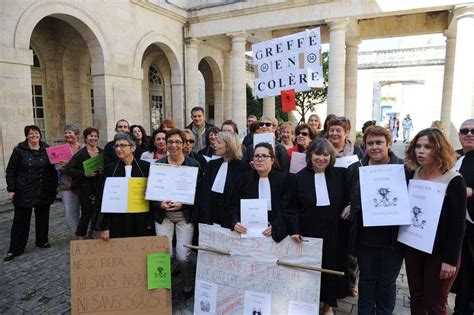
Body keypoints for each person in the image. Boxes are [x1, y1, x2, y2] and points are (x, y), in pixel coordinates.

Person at [404, 128, 466, 314]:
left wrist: (450, 260)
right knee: (416, 296)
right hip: (414, 246)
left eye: (428, 147)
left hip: (440, 253)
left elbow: (458, 225)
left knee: (435, 302)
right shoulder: (413, 174)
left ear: (439, 149)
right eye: (418, 146)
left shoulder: (454, 180)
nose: (421, 151)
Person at [283, 138, 349, 313]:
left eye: (326, 154)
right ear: (310, 156)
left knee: (330, 268)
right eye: (317, 154)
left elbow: (352, 195)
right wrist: (294, 229)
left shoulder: (341, 176)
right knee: (308, 270)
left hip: (334, 232)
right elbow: (291, 208)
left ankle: (328, 305)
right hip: (308, 231)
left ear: (331, 157)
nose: (321, 158)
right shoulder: (297, 179)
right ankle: (305, 304)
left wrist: (350, 206)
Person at [346, 126, 406, 314]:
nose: (374, 147)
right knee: (366, 280)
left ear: (388, 145)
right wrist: (351, 205)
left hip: (392, 240)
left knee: (387, 282)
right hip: (365, 238)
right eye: (370, 143)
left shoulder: (403, 169)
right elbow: (349, 195)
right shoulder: (356, 169)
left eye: (379, 143)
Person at [151, 129, 201, 300]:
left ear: (184, 143)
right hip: (163, 216)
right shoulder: (159, 164)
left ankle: (187, 283)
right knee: (163, 253)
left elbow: (199, 193)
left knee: (182, 255)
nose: (174, 145)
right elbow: (152, 192)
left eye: (178, 142)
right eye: (170, 142)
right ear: (165, 143)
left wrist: (184, 203)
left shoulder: (193, 164)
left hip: (184, 217)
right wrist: (160, 203)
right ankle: (160, 288)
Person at [4, 125, 58, 261]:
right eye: (31, 133)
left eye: (37, 133)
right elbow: (10, 170)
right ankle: (15, 249)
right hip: (24, 190)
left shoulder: (47, 149)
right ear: (27, 135)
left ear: (40, 134)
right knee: (20, 220)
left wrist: (54, 186)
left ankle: (42, 241)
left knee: (43, 217)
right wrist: (11, 189)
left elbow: (52, 170)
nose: (34, 135)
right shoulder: (19, 151)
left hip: (43, 189)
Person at [95, 132, 151, 239]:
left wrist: (150, 221)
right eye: (116, 146)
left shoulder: (145, 167)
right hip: (117, 219)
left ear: (133, 148)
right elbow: (103, 199)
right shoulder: (110, 169)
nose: (118, 149)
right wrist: (104, 226)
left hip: (140, 217)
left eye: (123, 145)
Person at [233, 143, 287, 242]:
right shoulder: (243, 179)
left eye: (264, 156)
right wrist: (235, 222)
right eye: (257, 156)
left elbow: (287, 209)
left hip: (276, 235)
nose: (260, 159)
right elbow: (234, 205)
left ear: (272, 160)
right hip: (248, 234)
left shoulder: (283, 180)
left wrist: (277, 226)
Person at [199, 131, 246, 228]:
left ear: (229, 146)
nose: (214, 144)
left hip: (231, 219)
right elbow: (205, 193)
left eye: (219, 142)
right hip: (212, 216)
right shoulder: (212, 165)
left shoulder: (242, 167)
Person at [65, 127, 103, 240]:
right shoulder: (80, 154)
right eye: (91, 136)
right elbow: (68, 169)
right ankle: (80, 234)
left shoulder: (102, 152)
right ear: (86, 138)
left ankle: (95, 231)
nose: (94, 138)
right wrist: (84, 174)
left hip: (99, 185)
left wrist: (103, 169)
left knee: (98, 210)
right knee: (87, 211)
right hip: (84, 187)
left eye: (96, 136)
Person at [452, 119, 474, 315]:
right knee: (465, 276)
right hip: (462, 228)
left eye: (473, 131)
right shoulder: (458, 158)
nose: (469, 134)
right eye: (464, 130)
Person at [58, 124, 85, 235]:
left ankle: (86, 231)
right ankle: (77, 234)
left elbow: (86, 165)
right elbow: (57, 167)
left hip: (83, 184)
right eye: (65, 132)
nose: (67, 135)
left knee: (86, 210)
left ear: (77, 134)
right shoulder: (60, 149)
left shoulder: (84, 148)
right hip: (67, 185)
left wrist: (69, 165)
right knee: (70, 212)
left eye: (70, 132)